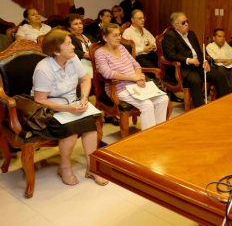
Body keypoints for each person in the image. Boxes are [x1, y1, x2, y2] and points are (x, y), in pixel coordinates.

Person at [32, 30, 108, 186]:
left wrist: (84, 98)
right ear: (56, 51)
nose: (73, 46)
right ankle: (65, 168)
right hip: (50, 109)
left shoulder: (73, 59)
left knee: (90, 125)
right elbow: (40, 100)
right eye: (68, 44)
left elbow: (86, 79)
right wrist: (68, 109)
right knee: (72, 130)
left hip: (73, 103)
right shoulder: (44, 69)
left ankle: (91, 168)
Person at [95, 23, 169, 131]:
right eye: (115, 35)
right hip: (118, 88)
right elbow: (107, 73)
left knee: (163, 98)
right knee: (147, 104)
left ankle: (158, 130)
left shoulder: (122, 48)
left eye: (119, 34)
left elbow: (136, 65)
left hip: (135, 84)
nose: (119, 37)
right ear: (105, 37)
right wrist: (133, 78)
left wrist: (139, 76)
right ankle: (148, 136)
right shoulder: (100, 53)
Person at [162, 12, 230, 108]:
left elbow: (198, 51)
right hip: (185, 68)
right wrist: (188, 60)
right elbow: (171, 55)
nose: (186, 24)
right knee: (196, 80)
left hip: (198, 65)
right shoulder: (170, 36)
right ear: (176, 26)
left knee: (219, 75)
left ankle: (224, 104)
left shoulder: (191, 34)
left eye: (187, 21)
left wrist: (204, 62)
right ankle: (200, 109)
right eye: (183, 22)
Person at [65, 13, 95, 78]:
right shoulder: (69, 38)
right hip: (81, 64)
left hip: (94, 62)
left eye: (80, 23)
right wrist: (88, 55)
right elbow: (72, 51)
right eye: (76, 24)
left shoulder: (88, 36)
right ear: (69, 28)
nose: (80, 26)